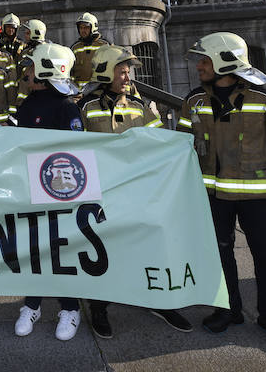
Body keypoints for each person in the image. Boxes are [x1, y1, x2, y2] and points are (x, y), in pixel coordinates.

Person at [179, 32, 266, 354]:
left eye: (204, 61)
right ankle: (228, 310)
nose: (199, 67)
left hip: (257, 196)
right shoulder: (193, 100)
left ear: (225, 61)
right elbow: (180, 145)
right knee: (219, 257)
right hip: (212, 196)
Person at [79, 45, 191, 337]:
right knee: (102, 251)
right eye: (121, 70)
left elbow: (157, 140)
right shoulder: (86, 106)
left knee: (149, 246)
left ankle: (159, 300)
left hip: (137, 191)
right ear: (105, 71)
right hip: (102, 192)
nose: (127, 75)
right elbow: (74, 149)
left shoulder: (140, 105)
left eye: (128, 70)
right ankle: (99, 308)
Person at [13, 43, 83, 341]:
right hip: (30, 191)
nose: (26, 71)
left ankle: (70, 308)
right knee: (34, 250)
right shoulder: (26, 105)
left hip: (60, 194)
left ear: (44, 69)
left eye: (31, 66)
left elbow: (77, 154)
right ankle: (32, 303)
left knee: (61, 251)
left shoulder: (67, 107)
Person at [70, 13, 108, 87]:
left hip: (99, 90)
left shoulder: (104, 46)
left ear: (93, 28)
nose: (83, 30)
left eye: (86, 28)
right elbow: (70, 71)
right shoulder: (75, 48)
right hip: (80, 93)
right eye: (81, 28)